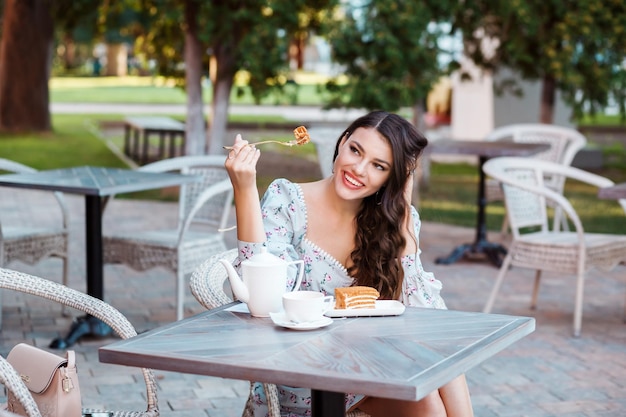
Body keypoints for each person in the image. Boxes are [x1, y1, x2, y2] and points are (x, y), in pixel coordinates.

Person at [224, 110, 474, 417]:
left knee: (440, 371)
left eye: (379, 166)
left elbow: (429, 316)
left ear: (391, 179)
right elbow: (262, 299)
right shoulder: (286, 199)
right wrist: (245, 189)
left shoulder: (394, 221)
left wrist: (405, 223)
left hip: (370, 367)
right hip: (303, 375)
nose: (358, 169)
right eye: (356, 150)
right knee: (428, 404)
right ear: (342, 142)